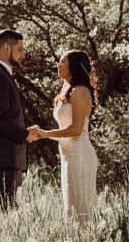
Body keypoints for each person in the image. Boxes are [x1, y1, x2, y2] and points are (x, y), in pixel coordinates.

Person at [32, 50, 99, 225]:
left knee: (80, 209)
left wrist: (46, 134)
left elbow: (76, 129)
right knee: (72, 206)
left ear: (74, 66)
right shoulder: (70, 91)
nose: (58, 65)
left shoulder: (80, 91)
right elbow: (66, 129)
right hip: (69, 155)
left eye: (63, 62)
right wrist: (44, 134)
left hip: (80, 155)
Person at [0, 29, 40, 213]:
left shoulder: (1, 75)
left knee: (8, 217)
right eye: (20, 50)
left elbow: (3, 117)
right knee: (2, 218)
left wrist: (25, 131)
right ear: (6, 48)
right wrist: (25, 134)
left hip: (7, 159)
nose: (23, 54)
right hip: (2, 159)